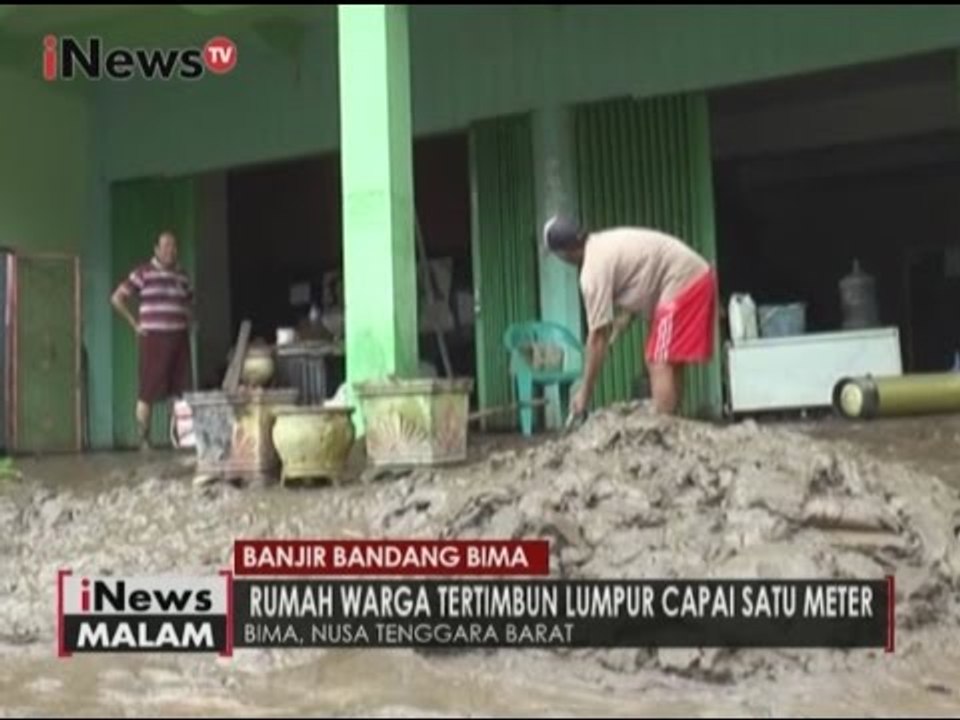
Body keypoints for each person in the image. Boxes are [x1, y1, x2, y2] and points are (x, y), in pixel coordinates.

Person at [543, 216, 716, 417]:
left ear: (563, 253)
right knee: (668, 358)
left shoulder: (592, 272)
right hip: (694, 276)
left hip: (684, 281)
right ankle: (673, 421)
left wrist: (584, 393)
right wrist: (625, 317)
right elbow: (642, 274)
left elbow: (598, 338)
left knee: (658, 359)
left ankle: (664, 425)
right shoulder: (602, 244)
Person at [111, 231, 194, 450]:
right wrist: (135, 325)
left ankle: (181, 439)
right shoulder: (143, 273)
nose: (171, 251)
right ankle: (144, 440)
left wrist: (189, 323)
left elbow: (189, 303)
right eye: (166, 246)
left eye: (174, 246)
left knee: (181, 392)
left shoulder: (182, 276)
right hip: (153, 339)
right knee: (147, 391)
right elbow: (117, 298)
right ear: (156, 249)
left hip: (179, 339)